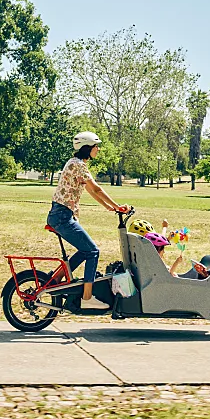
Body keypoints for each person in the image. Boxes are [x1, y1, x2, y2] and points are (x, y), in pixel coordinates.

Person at [47, 131, 129, 309]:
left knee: (85, 250)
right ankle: (87, 297)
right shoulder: (78, 165)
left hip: (61, 214)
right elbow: (97, 188)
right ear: (87, 148)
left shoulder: (76, 164)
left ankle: (56, 279)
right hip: (62, 216)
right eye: (95, 146)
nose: (97, 149)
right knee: (92, 251)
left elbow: (92, 191)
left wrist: (108, 207)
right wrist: (118, 206)